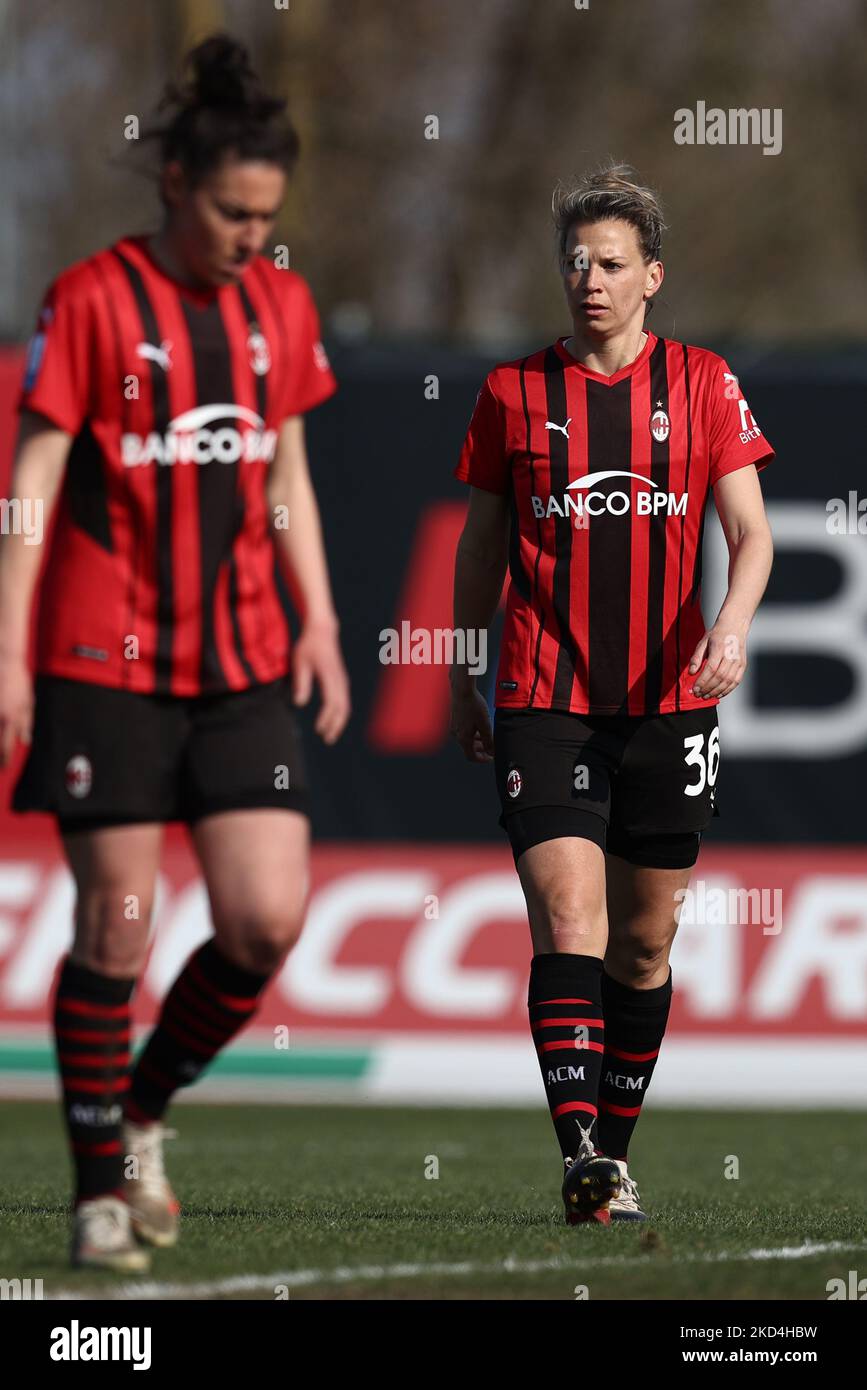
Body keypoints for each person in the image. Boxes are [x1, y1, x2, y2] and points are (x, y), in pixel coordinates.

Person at [0, 34, 350, 1270]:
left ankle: (144, 1111)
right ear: (174, 187)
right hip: (106, 662)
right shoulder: (89, 300)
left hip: (246, 660)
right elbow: (32, 483)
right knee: (119, 927)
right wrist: (10, 652)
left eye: (267, 216)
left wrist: (316, 614)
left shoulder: (281, 307)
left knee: (264, 919)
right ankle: (99, 1194)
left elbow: (287, 472)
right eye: (231, 212)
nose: (252, 236)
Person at [449, 163, 773, 1225]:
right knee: (568, 917)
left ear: (653, 278)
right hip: (547, 696)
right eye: (575, 261)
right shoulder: (513, 394)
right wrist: (463, 668)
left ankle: (614, 1155)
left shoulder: (704, 383)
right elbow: (481, 547)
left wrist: (730, 625)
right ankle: (581, 1150)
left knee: (643, 941)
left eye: (611, 263)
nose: (589, 278)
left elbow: (752, 535)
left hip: (670, 707)